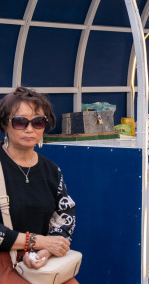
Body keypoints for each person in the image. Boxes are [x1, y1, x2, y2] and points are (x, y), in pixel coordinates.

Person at [0, 87, 76, 283]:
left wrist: (44, 251)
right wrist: (36, 241)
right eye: (19, 121)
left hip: (40, 263)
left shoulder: (51, 170)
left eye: (38, 122)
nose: (29, 129)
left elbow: (65, 215)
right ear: (4, 124)